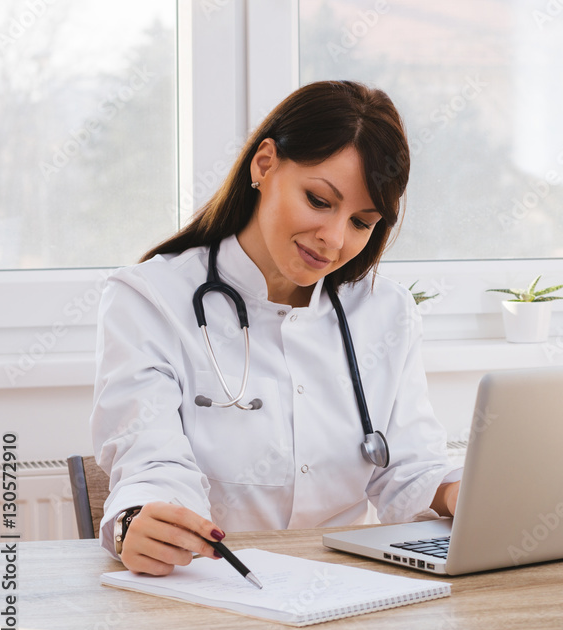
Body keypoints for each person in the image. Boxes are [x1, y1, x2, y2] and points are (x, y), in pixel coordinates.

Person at [92, 81, 461, 575]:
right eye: (319, 200)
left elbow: (410, 466)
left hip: (351, 586)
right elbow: (152, 464)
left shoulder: (386, 311)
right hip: (214, 582)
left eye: (362, 222)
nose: (333, 240)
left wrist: (461, 491)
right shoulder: (149, 299)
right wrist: (139, 521)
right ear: (264, 165)